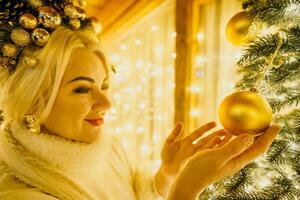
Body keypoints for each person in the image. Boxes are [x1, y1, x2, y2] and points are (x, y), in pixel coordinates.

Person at [0, 1, 281, 200]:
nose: (107, 104)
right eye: (82, 90)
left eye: (104, 85)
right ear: (34, 101)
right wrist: (186, 189)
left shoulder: (105, 145)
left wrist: (168, 175)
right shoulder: (20, 193)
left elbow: (135, 191)